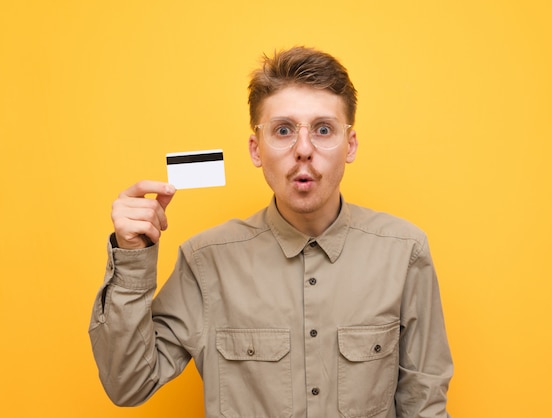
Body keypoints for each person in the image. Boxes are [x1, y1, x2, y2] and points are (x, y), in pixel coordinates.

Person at [89, 46, 453, 418]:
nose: (304, 149)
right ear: (256, 148)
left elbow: (424, 405)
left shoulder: (404, 252)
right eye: (283, 130)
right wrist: (131, 257)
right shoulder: (206, 261)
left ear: (350, 145)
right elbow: (128, 383)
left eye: (324, 129)